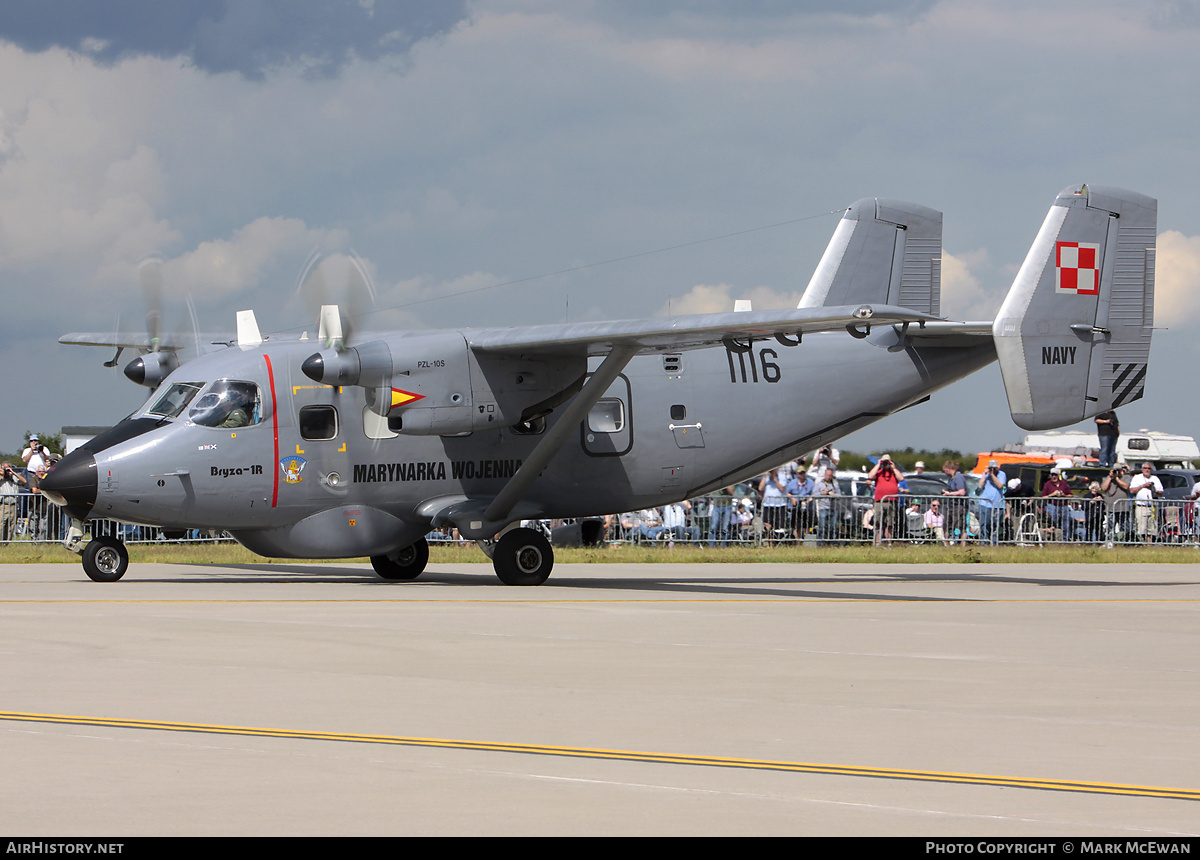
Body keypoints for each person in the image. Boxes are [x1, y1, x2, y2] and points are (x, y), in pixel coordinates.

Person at [867, 455, 903, 546]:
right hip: (880, 501)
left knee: (889, 523)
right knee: (878, 522)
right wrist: (879, 464)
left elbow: (901, 478)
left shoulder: (894, 473)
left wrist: (893, 468)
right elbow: (870, 476)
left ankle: (889, 541)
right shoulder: (879, 472)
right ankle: (878, 542)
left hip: (891, 501)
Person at [1129, 462, 1164, 541]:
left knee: (1152, 528)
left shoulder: (1155, 478)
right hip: (1141, 506)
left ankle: (1149, 544)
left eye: (1149, 468)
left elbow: (1161, 492)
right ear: (1142, 469)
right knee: (1142, 528)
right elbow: (1132, 490)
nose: (1147, 470)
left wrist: (1154, 490)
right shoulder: (1137, 478)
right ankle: (1142, 544)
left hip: (1153, 506)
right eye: (1145, 468)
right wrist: (1143, 486)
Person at [976, 459, 1007, 545]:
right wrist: (985, 474)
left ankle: (993, 543)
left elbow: (1000, 485)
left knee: (994, 526)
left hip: (997, 505)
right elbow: (980, 485)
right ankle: (983, 543)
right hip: (985, 504)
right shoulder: (985, 475)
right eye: (991, 468)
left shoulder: (1002, 474)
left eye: (994, 468)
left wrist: (992, 475)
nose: (992, 469)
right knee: (984, 525)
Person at [1100, 465, 1132, 546]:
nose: (1116, 472)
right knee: (1110, 528)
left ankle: (1123, 543)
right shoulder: (1108, 478)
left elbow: (1126, 486)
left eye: (1118, 470)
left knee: (1124, 528)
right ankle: (1110, 543)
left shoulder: (1126, 477)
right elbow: (1103, 488)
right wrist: (1111, 477)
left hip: (1123, 508)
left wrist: (1117, 478)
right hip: (1111, 508)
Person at [758, 468, 791, 543]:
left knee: (779, 527)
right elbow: (760, 488)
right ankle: (768, 541)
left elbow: (782, 488)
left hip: (780, 506)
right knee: (767, 525)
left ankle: (779, 542)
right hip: (768, 505)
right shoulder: (766, 478)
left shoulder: (781, 476)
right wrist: (764, 477)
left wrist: (774, 479)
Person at [941, 460, 968, 544]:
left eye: (945, 470)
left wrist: (949, 494)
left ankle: (963, 545)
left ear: (948, 468)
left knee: (960, 526)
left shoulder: (958, 477)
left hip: (959, 506)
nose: (944, 473)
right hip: (951, 506)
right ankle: (946, 545)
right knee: (946, 525)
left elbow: (962, 492)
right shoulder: (951, 478)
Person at [1041, 467, 1073, 536]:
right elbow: (1043, 497)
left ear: (1058, 475)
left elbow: (1070, 495)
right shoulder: (1047, 484)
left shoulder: (1063, 483)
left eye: (1055, 475)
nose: (1054, 477)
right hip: (1052, 506)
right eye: (1052, 475)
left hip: (1063, 506)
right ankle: (1053, 539)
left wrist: (1063, 495)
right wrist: (1052, 495)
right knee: (1053, 523)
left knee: (1066, 523)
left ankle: (1066, 540)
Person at [784, 467, 815, 540]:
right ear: (797, 474)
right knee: (797, 525)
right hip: (796, 507)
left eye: (803, 473)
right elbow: (787, 492)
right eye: (800, 473)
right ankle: (798, 540)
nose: (802, 475)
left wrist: (809, 500)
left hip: (807, 507)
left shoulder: (810, 482)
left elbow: (814, 493)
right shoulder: (792, 483)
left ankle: (806, 539)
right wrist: (792, 499)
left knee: (807, 525)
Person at [1, 462, 28, 542]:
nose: (7, 471)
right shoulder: (1, 479)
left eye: (8, 468)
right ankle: (1, 541)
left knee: (11, 525)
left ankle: (7, 542)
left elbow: (24, 481)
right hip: (3, 505)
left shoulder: (14, 478)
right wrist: (2, 474)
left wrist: (13, 473)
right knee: (1, 524)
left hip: (13, 505)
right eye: (5, 469)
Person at [812, 467, 839, 545]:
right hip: (823, 508)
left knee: (833, 528)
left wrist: (834, 495)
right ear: (824, 475)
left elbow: (840, 495)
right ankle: (820, 544)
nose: (828, 477)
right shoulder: (819, 484)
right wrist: (822, 493)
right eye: (827, 475)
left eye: (830, 475)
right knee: (822, 527)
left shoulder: (835, 484)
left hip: (833, 509)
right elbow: (814, 495)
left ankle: (832, 544)